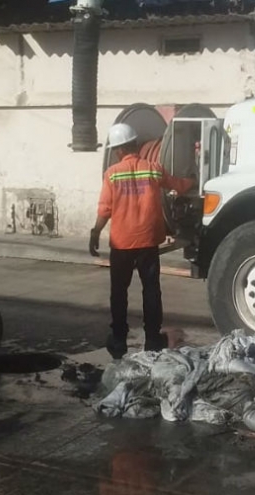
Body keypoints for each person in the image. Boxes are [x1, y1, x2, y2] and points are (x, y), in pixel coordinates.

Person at [89, 123, 194, 359]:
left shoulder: (112, 174)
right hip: (148, 242)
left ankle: (118, 340)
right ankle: (152, 339)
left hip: (121, 244)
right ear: (136, 145)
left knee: (119, 292)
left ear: (118, 151)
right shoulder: (153, 169)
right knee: (151, 291)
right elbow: (178, 185)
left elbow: (105, 209)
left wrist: (95, 232)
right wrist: (194, 181)